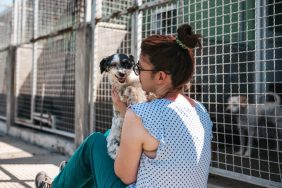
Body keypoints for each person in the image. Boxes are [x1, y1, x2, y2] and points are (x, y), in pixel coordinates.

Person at [35, 24, 213, 188]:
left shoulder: (140, 114)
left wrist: (125, 114)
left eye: (140, 68)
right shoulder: (200, 110)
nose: (136, 73)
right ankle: (72, 175)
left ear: (160, 77)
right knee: (105, 142)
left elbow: (125, 176)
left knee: (95, 143)